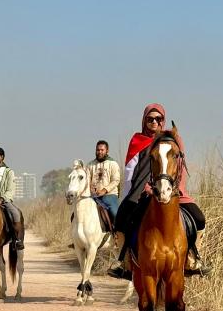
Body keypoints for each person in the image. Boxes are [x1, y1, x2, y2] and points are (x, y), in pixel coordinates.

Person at [108, 103, 211, 279]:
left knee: (199, 218)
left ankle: (193, 258)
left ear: (163, 120)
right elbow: (131, 172)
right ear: (144, 121)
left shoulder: (174, 140)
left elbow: (181, 169)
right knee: (122, 218)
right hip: (143, 191)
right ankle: (123, 262)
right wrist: (146, 189)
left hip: (173, 190)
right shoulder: (137, 140)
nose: (154, 122)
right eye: (150, 119)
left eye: (158, 119)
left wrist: (176, 188)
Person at [87, 140, 121, 222]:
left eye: (102, 150)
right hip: (93, 196)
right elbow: (87, 180)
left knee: (116, 215)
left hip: (109, 195)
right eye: (98, 150)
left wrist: (104, 190)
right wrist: (90, 188)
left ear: (107, 151)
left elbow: (116, 180)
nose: (99, 152)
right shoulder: (90, 165)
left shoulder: (113, 163)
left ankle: (119, 232)